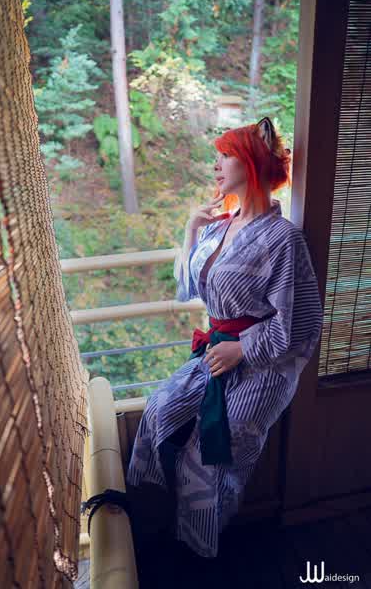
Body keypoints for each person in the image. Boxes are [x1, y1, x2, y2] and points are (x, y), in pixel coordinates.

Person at [126, 117, 324, 559]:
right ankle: (149, 523)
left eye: (225, 155)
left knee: (210, 458)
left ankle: (201, 552)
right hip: (215, 351)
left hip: (263, 367)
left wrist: (243, 348)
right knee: (159, 410)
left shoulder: (283, 239)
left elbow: (300, 323)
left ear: (250, 164)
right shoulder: (218, 226)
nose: (216, 164)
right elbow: (189, 288)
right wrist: (191, 230)